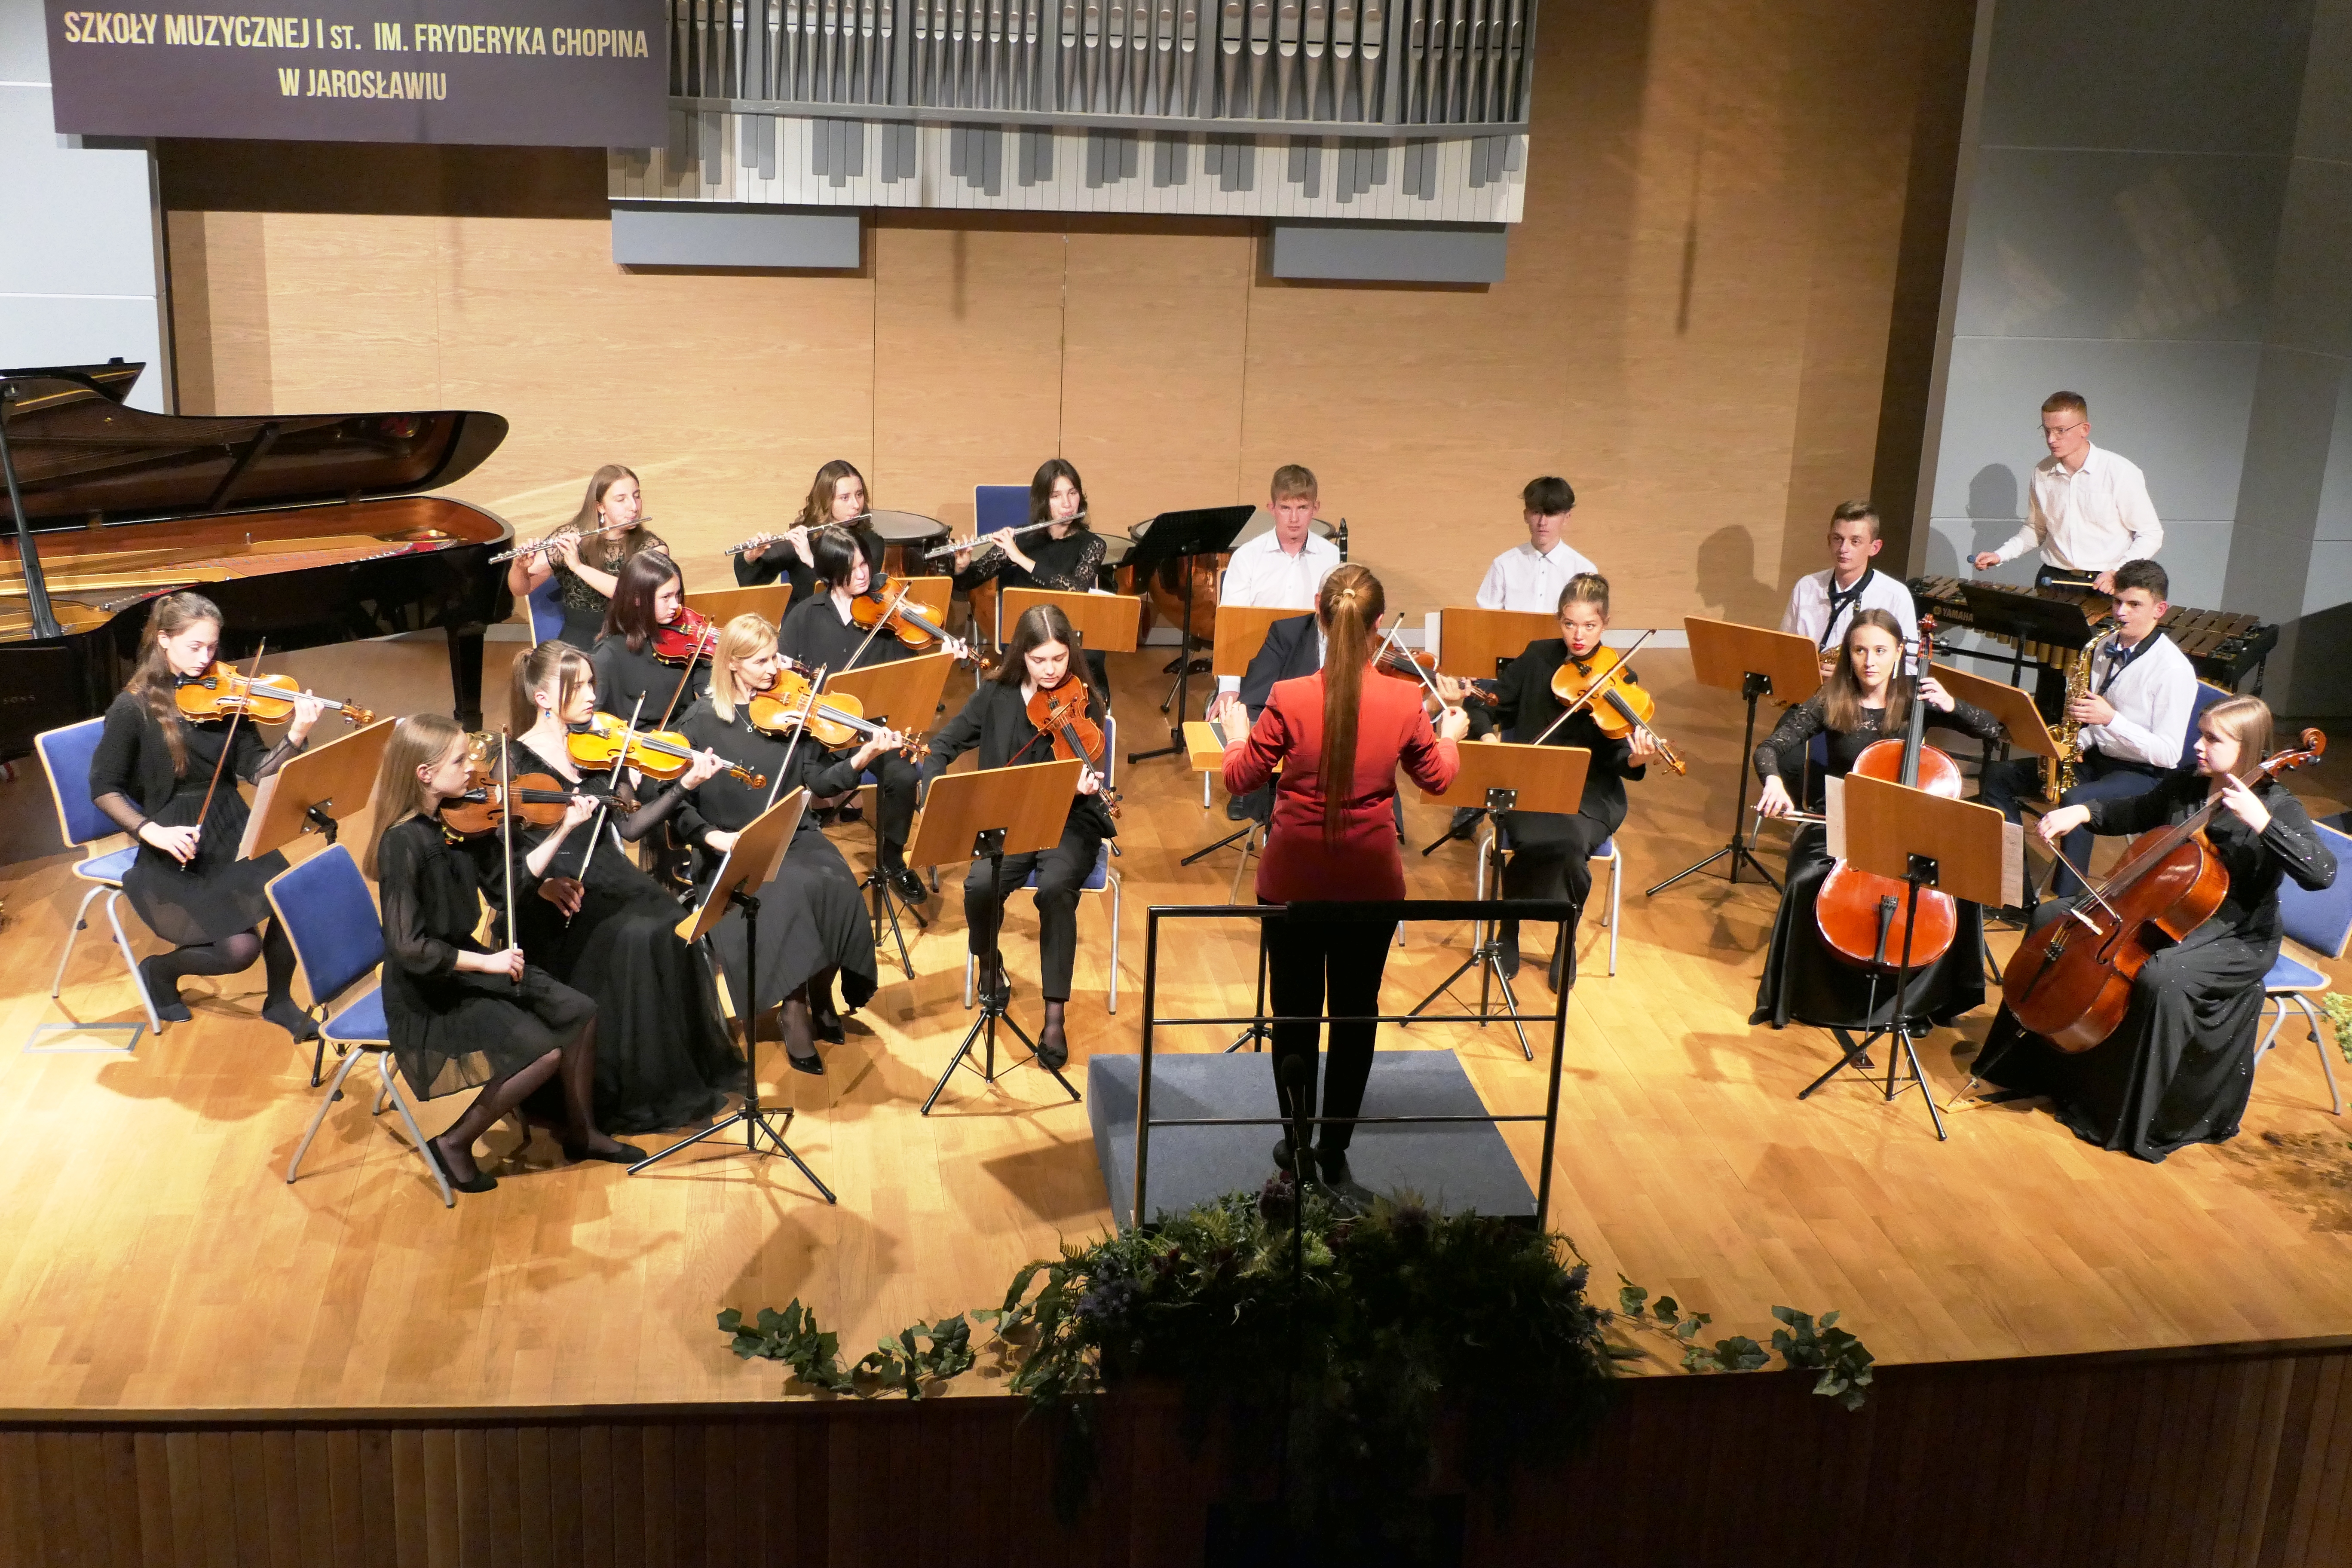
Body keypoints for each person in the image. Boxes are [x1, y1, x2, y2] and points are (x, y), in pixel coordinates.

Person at [1971, 696, 2337, 1162]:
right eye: (2201, 734)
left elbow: (2321, 873)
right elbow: (2139, 810)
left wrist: (2263, 823)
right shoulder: (2190, 783)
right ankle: (2027, 1064)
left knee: (2161, 976)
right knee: (2051, 917)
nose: (2198, 746)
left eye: (2213, 740)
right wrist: (2084, 813)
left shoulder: (2277, 806)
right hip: (2164, 909)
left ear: (2246, 749)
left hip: (2236, 934)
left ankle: (2119, 1113)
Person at [1222, 565, 1465, 1198]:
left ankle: (1297, 1140)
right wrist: (1451, 735)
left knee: (1294, 1012)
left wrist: (1235, 738)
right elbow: (1439, 779)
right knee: (1357, 1013)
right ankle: (1335, 1148)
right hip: (1369, 882)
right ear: (1380, 623)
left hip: (1294, 878)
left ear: (1319, 614)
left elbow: (1241, 778)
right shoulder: (1405, 702)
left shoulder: (1289, 696)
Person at [361, 714, 639, 1192]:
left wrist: (563, 830)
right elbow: (408, 947)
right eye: (460, 761)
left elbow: (506, 887)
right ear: (425, 774)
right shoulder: (402, 842)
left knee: (581, 1011)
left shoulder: (461, 820)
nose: (473, 769)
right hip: (429, 987)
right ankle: (453, 1143)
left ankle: (584, 1134)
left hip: (467, 962)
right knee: (543, 1052)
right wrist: (487, 962)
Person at [505, 640, 746, 1134]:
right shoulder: (513, 760)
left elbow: (631, 828)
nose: (593, 695)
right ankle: (623, 1086)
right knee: (637, 939)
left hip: (608, 871)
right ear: (543, 698)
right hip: (554, 891)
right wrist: (546, 885)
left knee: (673, 922)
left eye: (592, 684)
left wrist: (683, 786)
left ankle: (668, 1069)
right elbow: (505, 856)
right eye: (579, 687)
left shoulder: (597, 746)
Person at [1749, 609, 2006, 1033]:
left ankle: (1920, 1001)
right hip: (1840, 821)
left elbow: (1993, 730)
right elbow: (1769, 748)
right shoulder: (1831, 700)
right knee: (1805, 880)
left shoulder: (1917, 698)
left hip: (1908, 828)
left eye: (1881, 651)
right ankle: (1811, 997)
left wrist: (1952, 705)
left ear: (1900, 652)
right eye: (1860, 651)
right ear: (1848, 654)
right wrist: (1774, 782)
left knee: (1959, 890)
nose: (1870, 661)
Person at [87, 591, 325, 1041]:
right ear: (163, 639)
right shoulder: (132, 708)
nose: (206, 658)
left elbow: (256, 770)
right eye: (195, 647)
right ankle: (160, 971)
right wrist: (150, 832)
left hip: (231, 822)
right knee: (239, 951)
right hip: (174, 840)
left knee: (289, 902)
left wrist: (296, 734)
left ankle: (279, 1002)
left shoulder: (227, 694)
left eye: (212, 647)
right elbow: (103, 788)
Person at [671, 614, 896, 1075]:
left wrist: (862, 757)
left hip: (793, 836)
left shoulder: (786, 714)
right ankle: (793, 1010)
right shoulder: (696, 724)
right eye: (762, 661)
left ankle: (821, 991)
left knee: (837, 886)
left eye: (775, 657)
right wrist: (713, 837)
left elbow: (819, 782)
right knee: (789, 895)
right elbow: (674, 803)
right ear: (732, 664)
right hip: (732, 849)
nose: (776, 669)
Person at [919, 604, 1117, 1070]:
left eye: (1059, 659)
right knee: (978, 887)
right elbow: (942, 746)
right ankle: (991, 965)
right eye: (1039, 660)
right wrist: (931, 791)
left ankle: (1054, 1017)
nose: (1051, 670)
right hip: (1008, 820)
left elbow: (1091, 756)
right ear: (1021, 655)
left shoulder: (1084, 694)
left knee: (1055, 889)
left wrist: (1086, 782)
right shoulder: (995, 696)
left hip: (1070, 819)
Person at [1454, 573, 1658, 992]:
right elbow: (1484, 705)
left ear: (1605, 623)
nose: (1578, 636)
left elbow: (1617, 756)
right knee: (1544, 839)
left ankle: (1560, 934)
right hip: (1529, 782)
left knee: (1569, 841)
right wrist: (1490, 739)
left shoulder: (1621, 677)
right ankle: (1516, 928)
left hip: (1591, 791)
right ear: (1559, 620)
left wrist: (1637, 757)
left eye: (1589, 625)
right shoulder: (1537, 657)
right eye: (1569, 624)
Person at [1977, 559, 2195, 906]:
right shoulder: (2102, 647)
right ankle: (2015, 891)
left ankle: (2067, 903)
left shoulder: (2173, 670)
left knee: (2076, 799)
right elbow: (2091, 717)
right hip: (2095, 758)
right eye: (2118, 602)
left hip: (2143, 774)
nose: (2121, 613)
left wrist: (2111, 721)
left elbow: (2168, 754)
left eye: (2134, 605)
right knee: (1998, 776)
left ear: (2160, 610)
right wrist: (2075, 742)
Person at [777, 526, 928, 905]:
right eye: (851, 569)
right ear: (830, 573)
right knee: (788, 769)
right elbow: (785, 677)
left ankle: (893, 859)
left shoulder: (886, 616)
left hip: (873, 728)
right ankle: (797, 860)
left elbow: (907, 676)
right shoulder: (804, 616)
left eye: (864, 564)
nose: (862, 574)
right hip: (819, 730)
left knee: (904, 774)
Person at [1971, 392, 2162, 594]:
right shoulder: (2042, 472)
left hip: (2105, 581)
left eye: (2061, 431)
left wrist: (2118, 572)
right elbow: (2036, 529)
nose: (2051, 439)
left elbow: (2150, 534)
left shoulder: (2120, 472)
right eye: (2047, 431)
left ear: (2084, 429)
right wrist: (2001, 555)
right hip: (2053, 579)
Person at [1207, 464, 1343, 722]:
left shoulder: (1333, 558)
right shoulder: (1247, 557)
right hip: (1258, 670)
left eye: (1302, 508)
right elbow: (1233, 627)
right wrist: (1229, 688)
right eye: (1285, 508)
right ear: (1272, 508)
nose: (1294, 518)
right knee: (1237, 725)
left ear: (1315, 508)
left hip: (1315, 673)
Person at [505, 465, 668, 651]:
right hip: (577, 642)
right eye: (621, 499)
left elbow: (633, 596)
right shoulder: (571, 536)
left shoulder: (653, 548)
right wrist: (520, 567)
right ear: (600, 507)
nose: (634, 507)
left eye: (637, 496)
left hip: (631, 640)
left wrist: (578, 567)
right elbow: (521, 589)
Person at [1780, 500, 1917, 671]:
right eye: (1838, 539)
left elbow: (1908, 667)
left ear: (1875, 548)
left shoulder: (1896, 596)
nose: (1843, 549)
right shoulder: (1806, 586)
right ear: (1829, 541)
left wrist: (1850, 676)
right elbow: (1784, 647)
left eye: (1855, 541)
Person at [735, 459, 884, 606]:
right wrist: (751, 558)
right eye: (845, 498)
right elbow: (751, 585)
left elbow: (859, 595)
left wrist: (811, 560)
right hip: (803, 619)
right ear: (826, 501)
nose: (856, 505)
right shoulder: (806, 539)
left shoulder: (871, 543)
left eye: (859, 494)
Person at [591, 551, 710, 726]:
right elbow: (594, 719)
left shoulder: (686, 641)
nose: (676, 605)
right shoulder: (607, 656)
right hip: (642, 741)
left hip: (689, 732)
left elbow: (710, 691)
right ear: (637, 599)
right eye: (666, 597)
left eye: (677, 595)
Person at [1473, 475, 1596, 612]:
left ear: (1567, 518)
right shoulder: (1503, 565)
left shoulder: (1583, 571)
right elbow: (1486, 616)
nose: (1543, 522)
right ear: (1526, 515)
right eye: (1537, 513)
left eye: (1551, 514)